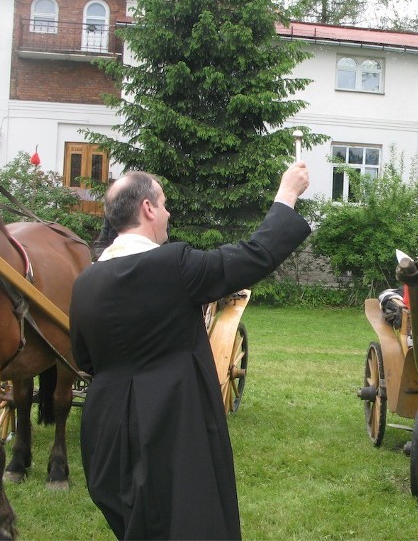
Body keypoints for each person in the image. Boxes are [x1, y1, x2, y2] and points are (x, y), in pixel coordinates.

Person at [69, 162, 311, 540]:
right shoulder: (174, 264)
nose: (167, 214)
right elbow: (252, 256)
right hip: (174, 421)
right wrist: (287, 194)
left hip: (106, 429)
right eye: (164, 205)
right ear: (148, 208)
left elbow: (84, 360)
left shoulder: (84, 283)